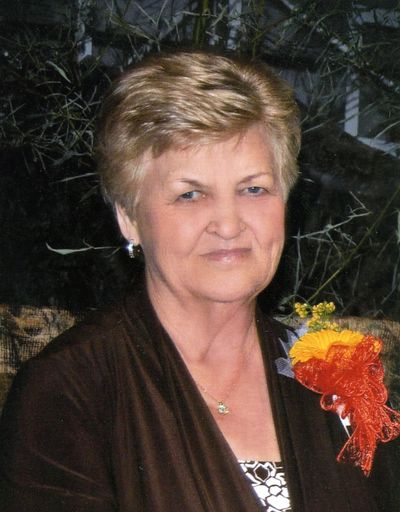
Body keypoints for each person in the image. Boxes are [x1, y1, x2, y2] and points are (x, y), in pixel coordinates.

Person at [0, 49, 398, 512]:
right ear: (129, 218)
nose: (228, 224)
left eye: (253, 189)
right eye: (190, 195)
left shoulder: (339, 377)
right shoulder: (70, 391)